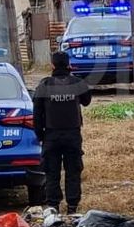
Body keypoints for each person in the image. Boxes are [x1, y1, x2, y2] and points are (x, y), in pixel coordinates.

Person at [33, 51, 92, 214]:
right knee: (73, 171)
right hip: (72, 135)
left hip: (51, 135)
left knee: (52, 172)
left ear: (52, 65)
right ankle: (72, 207)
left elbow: (36, 114)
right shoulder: (77, 83)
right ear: (69, 65)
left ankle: (53, 206)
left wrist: (40, 136)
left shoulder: (44, 85)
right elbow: (87, 101)